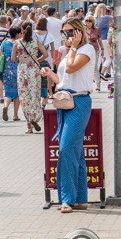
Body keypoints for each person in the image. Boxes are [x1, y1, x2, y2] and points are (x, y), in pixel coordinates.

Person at [41, 19, 94, 213]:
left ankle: (67, 199)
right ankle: (80, 199)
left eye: (70, 32)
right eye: (64, 33)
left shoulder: (87, 49)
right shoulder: (69, 53)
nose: (67, 36)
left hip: (79, 102)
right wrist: (50, 74)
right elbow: (63, 80)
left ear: (79, 32)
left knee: (65, 149)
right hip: (64, 101)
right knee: (75, 153)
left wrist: (72, 48)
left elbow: (72, 68)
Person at [12, 23, 48, 133]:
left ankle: (29, 126)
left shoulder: (17, 43)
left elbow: (13, 59)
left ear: (22, 31)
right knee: (34, 96)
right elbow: (45, 54)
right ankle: (34, 118)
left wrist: (20, 57)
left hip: (22, 71)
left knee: (24, 98)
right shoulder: (36, 42)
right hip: (34, 71)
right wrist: (37, 60)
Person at [0, 26, 22, 122]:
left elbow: (0, 55)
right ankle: (15, 115)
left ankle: (5, 106)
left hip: (6, 70)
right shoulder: (19, 43)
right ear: (17, 34)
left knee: (8, 92)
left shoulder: (4, 42)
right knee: (17, 94)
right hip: (17, 70)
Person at [34, 18, 55, 108]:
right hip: (47, 56)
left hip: (36, 56)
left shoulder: (34, 33)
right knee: (47, 76)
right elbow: (52, 48)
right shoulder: (49, 35)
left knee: (37, 75)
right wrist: (53, 58)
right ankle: (50, 93)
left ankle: (38, 94)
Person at [84, 15, 104, 91]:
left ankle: (97, 84)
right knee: (86, 66)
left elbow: (99, 40)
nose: (88, 22)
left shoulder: (96, 29)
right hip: (85, 50)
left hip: (95, 49)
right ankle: (87, 84)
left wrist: (102, 49)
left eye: (89, 21)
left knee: (95, 66)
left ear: (93, 22)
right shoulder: (83, 29)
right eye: (86, 21)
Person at [95, 4, 112, 79]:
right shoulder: (106, 17)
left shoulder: (94, 18)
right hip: (105, 38)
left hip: (97, 39)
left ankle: (95, 75)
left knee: (99, 58)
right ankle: (102, 72)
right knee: (109, 57)